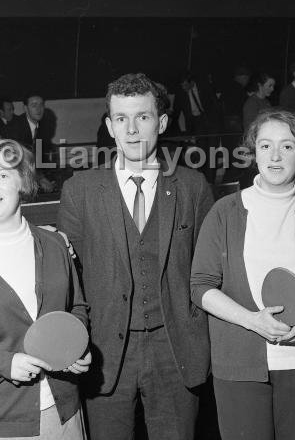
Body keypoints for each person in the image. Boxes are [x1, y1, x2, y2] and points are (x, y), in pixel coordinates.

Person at [58, 73, 213, 440]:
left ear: (160, 122)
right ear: (109, 127)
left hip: (176, 351)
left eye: (142, 117)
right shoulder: (80, 190)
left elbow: (209, 273)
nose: (131, 130)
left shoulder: (193, 187)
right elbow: (67, 280)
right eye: (121, 119)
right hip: (105, 353)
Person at [191, 108, 295, 440]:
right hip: (239, 367)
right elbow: (201, 286)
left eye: (287, 146)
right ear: (254, 151)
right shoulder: (224, 212)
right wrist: (252, 320)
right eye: (265, 145)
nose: (275, 156)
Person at [0, 138, 90, 439]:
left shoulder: (54, 244)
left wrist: (76, 346)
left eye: (3, 174)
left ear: (23, 180)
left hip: (64, 413)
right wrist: (4, 364)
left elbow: (76, 308)